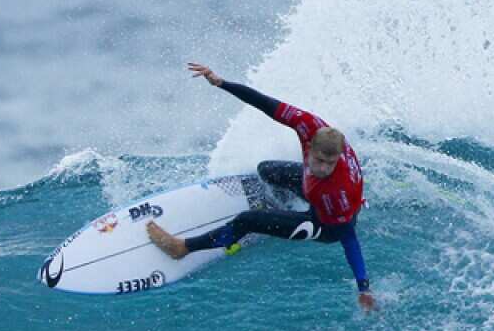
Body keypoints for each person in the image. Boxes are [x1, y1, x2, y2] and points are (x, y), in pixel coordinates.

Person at [147, 63, 376, 312]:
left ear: (338, 157)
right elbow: (264, 103)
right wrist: (221, 82)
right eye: (319, 160)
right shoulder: (308, 124)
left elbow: (348, 239)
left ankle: (183, 248)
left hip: (326, 224)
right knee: (267, 170)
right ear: (310, 145)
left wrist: (363, 287)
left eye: (330, 164)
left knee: (248, 219)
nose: (323, 168)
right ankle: (276, 212)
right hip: (315, 192)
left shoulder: (336, 191)